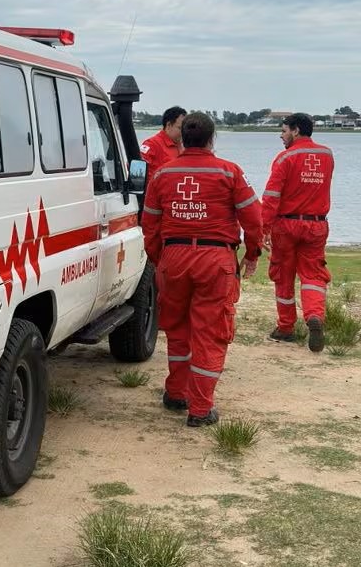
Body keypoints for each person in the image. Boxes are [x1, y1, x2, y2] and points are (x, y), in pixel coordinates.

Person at [141, 111, 264, 427]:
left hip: (174, 258)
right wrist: (252, 255)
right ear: (212, 139)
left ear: (183, 138)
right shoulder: (230, 172)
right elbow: (254, 220)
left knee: (178, 331)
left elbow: (150, 225)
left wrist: (159, 259)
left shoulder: (162, 175)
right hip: (215, 260)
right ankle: (200, 409)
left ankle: (176, 394)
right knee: (210, 334)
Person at [261, 112, 334, 353]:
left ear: (296, 130)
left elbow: (271, 196)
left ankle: (286, 327)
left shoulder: (285, 158)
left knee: (283, 275)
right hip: (317, 224)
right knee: (313, 275)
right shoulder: (327, 155)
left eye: (283, 131)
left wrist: (264, 227)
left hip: (287, 225)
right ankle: (314, 316)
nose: (281, 136)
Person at [140, 106, 186, 175]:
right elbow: (138, 170)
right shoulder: (151, 145)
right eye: (180, 128)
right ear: (169, 125)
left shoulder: (184, 146)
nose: (184, 132)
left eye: (185, 128)